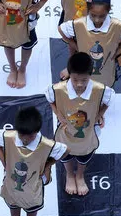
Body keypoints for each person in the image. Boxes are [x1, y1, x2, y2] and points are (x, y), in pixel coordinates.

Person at [0, 107, 67, 216]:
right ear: (17, 130)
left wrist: (47, 165)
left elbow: (64, 151)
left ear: (37, 131)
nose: (26, 139)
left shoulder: (46, 144)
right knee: (13, 205)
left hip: (33, 185)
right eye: (22, 135)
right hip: (12, 182)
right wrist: (5, 163)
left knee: (32, 208)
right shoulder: (8, 136)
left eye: (30, 136)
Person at [47, 52, 114, 196]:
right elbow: (50, 99)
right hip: (66, 132)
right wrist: (59, 115)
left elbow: (108, 101)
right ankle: (70, 174)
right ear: (69, 74)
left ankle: (79, 175)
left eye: (84, 80)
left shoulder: (101, 90)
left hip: (88, 132)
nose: (79, 84)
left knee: (85, 154)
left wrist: (99, 114)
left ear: (91, 75)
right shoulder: (57, 89)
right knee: (65, 153)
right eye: (75, 79)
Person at [58, 0, 121, 87]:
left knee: (103, 84)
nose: (97, 20)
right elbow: (61, 30)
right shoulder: (78, 24)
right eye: (93, 15)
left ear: (109, 10)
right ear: (88, 9)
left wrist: (119, 47)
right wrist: (76, 47)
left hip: (105, 66)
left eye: (102, 16)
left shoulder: (117, 25)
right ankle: (70, 68)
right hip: (84, 64)